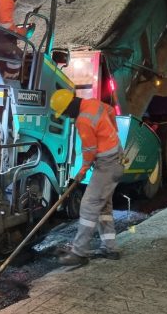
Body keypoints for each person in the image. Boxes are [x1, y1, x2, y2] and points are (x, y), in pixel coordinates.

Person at [50, 89, 124, 266]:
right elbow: (112, 111)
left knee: (89, 205)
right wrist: (113, 133)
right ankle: (110, 248)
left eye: (66, 113)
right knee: (103, 206)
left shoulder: (83, 120)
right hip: (116, 159)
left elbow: (89, 150)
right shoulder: (93, 103)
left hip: (107, 164)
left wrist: (82, 170)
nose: (68, 117)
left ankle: (79, 252)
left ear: (69, 107)